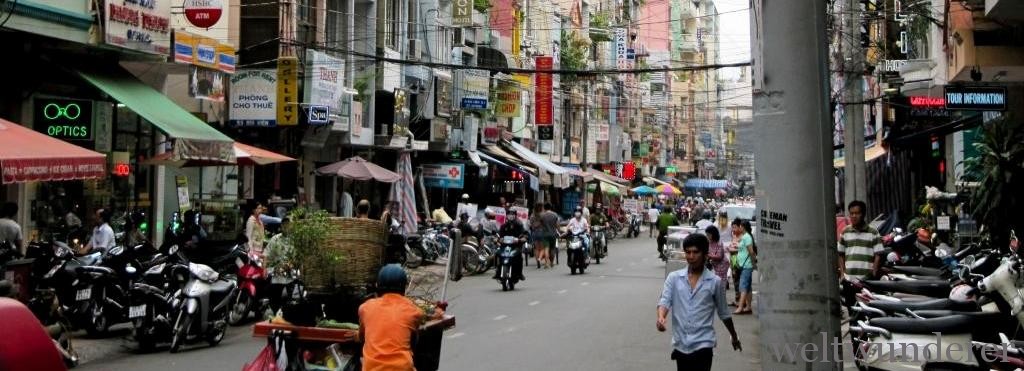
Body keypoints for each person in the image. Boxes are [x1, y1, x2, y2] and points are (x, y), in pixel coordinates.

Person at [657, 233, 742, 371]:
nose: (691, 256)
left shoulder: (715, 282)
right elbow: (664, 301)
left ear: (705, 254)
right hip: (681, 345)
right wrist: (661, 317)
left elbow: (724, 313)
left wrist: (734, 336)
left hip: (704, 344)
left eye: (695, 252)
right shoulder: (674, 278)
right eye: (688, 252)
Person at [358, 264, 422, 371]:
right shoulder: (413, 310)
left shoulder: (365, 308)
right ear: (403, 288)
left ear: (378, 286)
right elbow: (414, 340)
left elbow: (361, 337)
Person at [838, 200, 883, 281]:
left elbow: (878, 254)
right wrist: (842, 274)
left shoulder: (873, 232)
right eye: (851, 213)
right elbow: (840, 254)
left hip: (867, 279)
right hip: (849, 278)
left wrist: (874, 272)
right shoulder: (845, 231)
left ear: (863, 214)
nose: (854, 216)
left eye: (857, 213)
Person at [492, 208, 527, 281]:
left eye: (512, 214)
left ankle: (520, 273)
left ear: (515, 215)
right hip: (504, 247)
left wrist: (522, 239)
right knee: (497, 254)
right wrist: (496, 238)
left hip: (516, 247)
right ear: (506, 215)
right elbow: (498, 234)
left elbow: (524, 234)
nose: (510, 216)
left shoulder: (519, 225)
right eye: (509, 214)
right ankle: (497, 271)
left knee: (520, 258)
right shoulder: (503, 226)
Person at [730, 218, 756, 314]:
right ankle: (748, 307)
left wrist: (753, 264)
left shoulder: (747, 237)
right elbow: (743, 248)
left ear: (743, 227)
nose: (738, 227)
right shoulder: (745, 236)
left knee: (743, 287)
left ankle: (740, 307)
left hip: (746, 265)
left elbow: (751, 252)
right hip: (744, 265)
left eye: (740, 226)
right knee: (748, 287)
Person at [529, 203, 550, 269]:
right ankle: (539, 259)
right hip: (542, 232)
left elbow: (531, 225)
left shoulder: (532, 215)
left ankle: (537, 260)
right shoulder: (543, 215)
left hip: (534, 233)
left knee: (536, 248)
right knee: (543, 248)